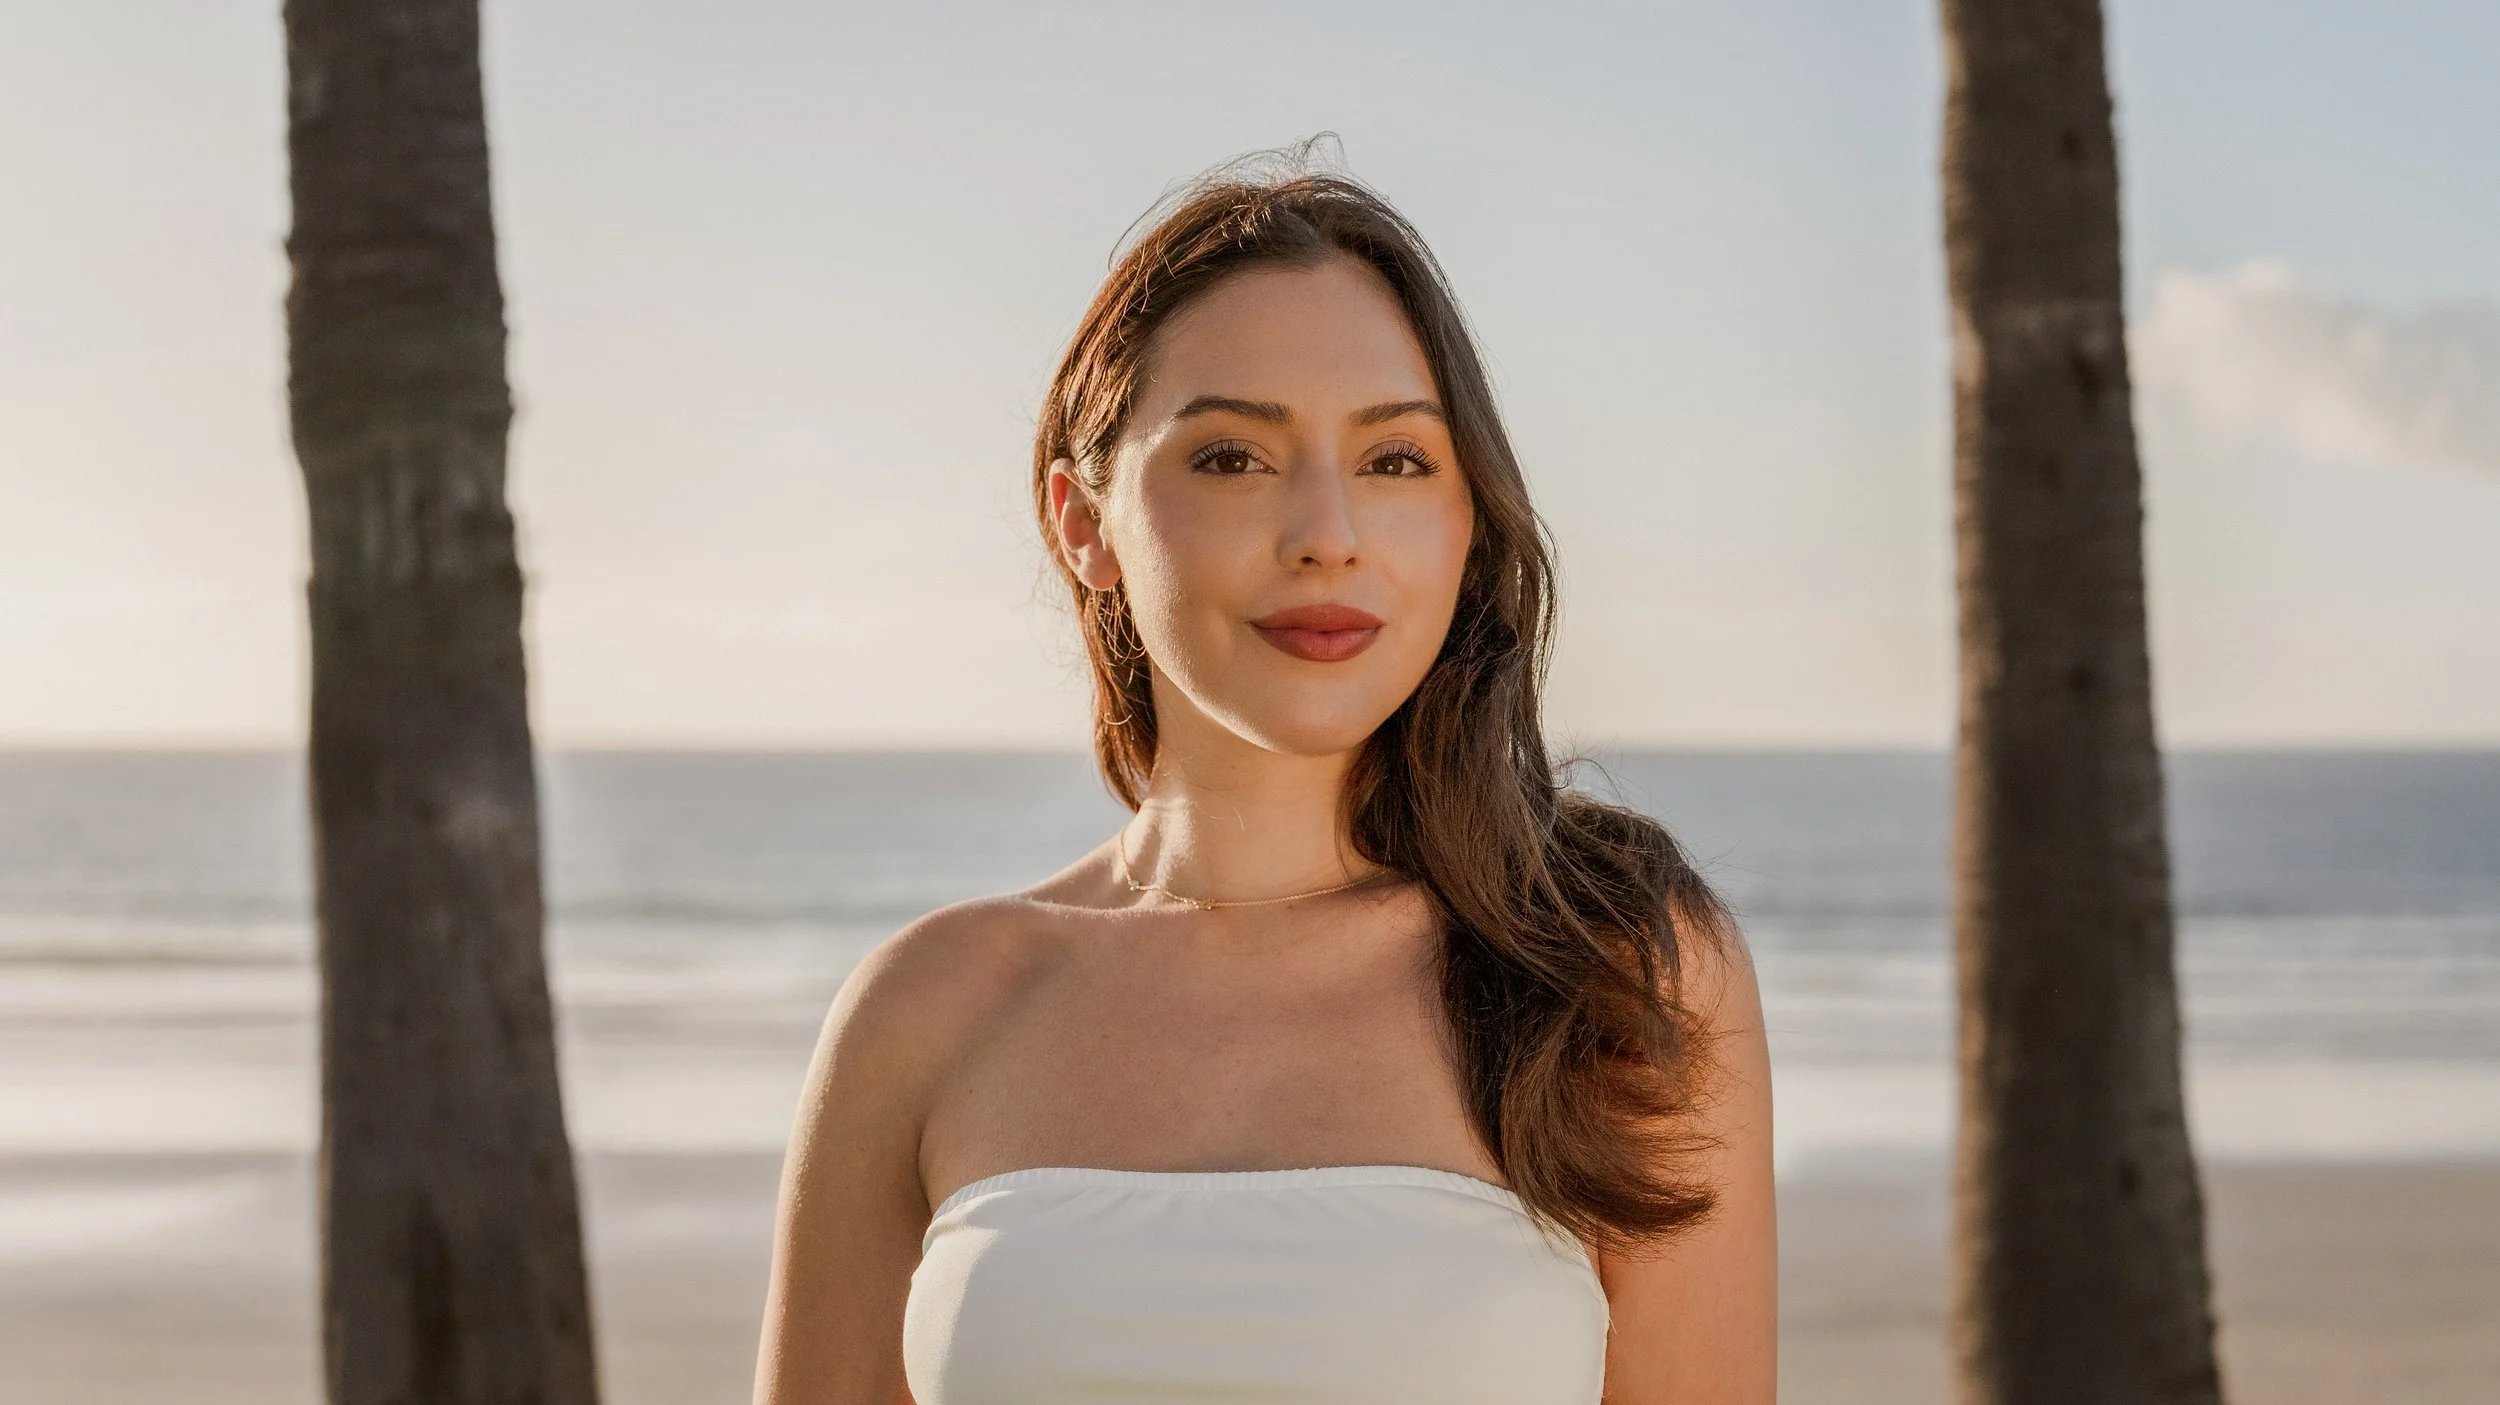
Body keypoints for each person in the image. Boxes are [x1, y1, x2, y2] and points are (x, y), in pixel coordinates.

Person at [754, 157, 1776, 1405]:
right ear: (1084, 523)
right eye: (1233, 456)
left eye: (1396, 460)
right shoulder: (928, 1008)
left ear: (1469, 520)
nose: (1326, 535)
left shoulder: (1610, 966)